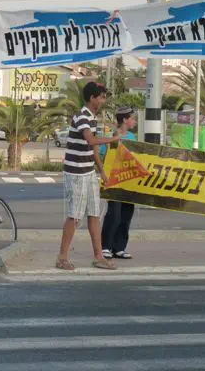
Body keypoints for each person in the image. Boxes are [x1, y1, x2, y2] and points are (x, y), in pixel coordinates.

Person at [57, 82, 120, 271]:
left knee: (94, 214)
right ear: (92, 98)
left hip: (88, 172)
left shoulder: (92, 118)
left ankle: (98, 257)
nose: (103, 100)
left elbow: (93, 150)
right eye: (101, 97)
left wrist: (101, 172)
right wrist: (112, 139)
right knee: (74, 216)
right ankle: (62, 258)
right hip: (76, 173)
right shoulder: (82, 116)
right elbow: (92, 141)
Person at [101, 106, 137, 260]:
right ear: (125, 120)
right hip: (115, 182)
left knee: (126, 214)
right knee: (113, 215)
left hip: (129, 182)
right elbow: (103, 156)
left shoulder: (133, 137)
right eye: (132, 118)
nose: (134, 121)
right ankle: (106, 247)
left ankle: (119, 248)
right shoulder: (111, 136)